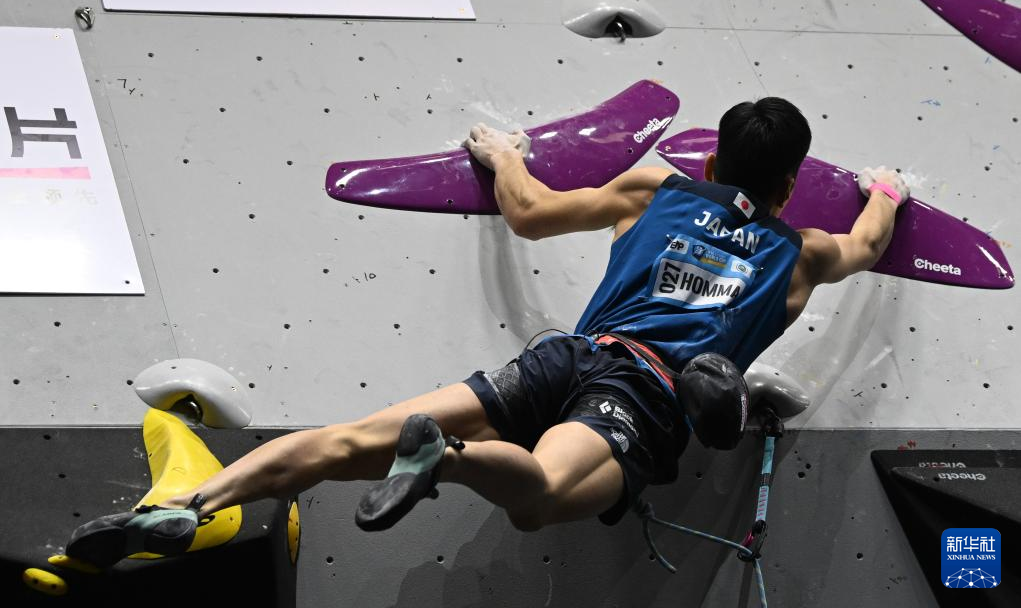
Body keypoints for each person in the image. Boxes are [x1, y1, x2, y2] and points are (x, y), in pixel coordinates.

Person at [65, 97, 908, 567]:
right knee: (538, 500)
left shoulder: (655, 190)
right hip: (640, 396)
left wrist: (503, 153)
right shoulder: (802, 254)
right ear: (789, 185)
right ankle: (448, 460)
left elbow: (529, 213)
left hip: (567, 357)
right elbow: (870, 240)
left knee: (344, 440)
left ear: (713, 164)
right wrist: (886, 190)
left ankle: (188, 505)